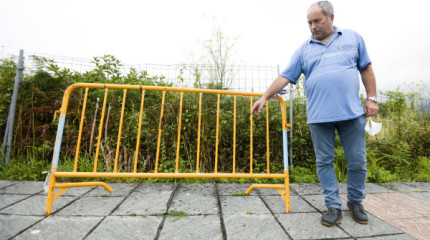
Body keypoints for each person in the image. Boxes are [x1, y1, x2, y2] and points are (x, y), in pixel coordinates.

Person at [251, 1, 378, 227]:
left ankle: (356, 202)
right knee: (324, 162)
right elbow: (285, 76)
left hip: (351, 114)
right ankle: (333, 205)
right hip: (319, 117)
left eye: (316, 21)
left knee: (357, 161)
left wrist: (371, 98)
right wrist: (264, 97)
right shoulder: (304, 49)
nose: (312, 26)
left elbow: (366, 67)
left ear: (331, 18)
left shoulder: (353, 38)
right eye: (309, 22)